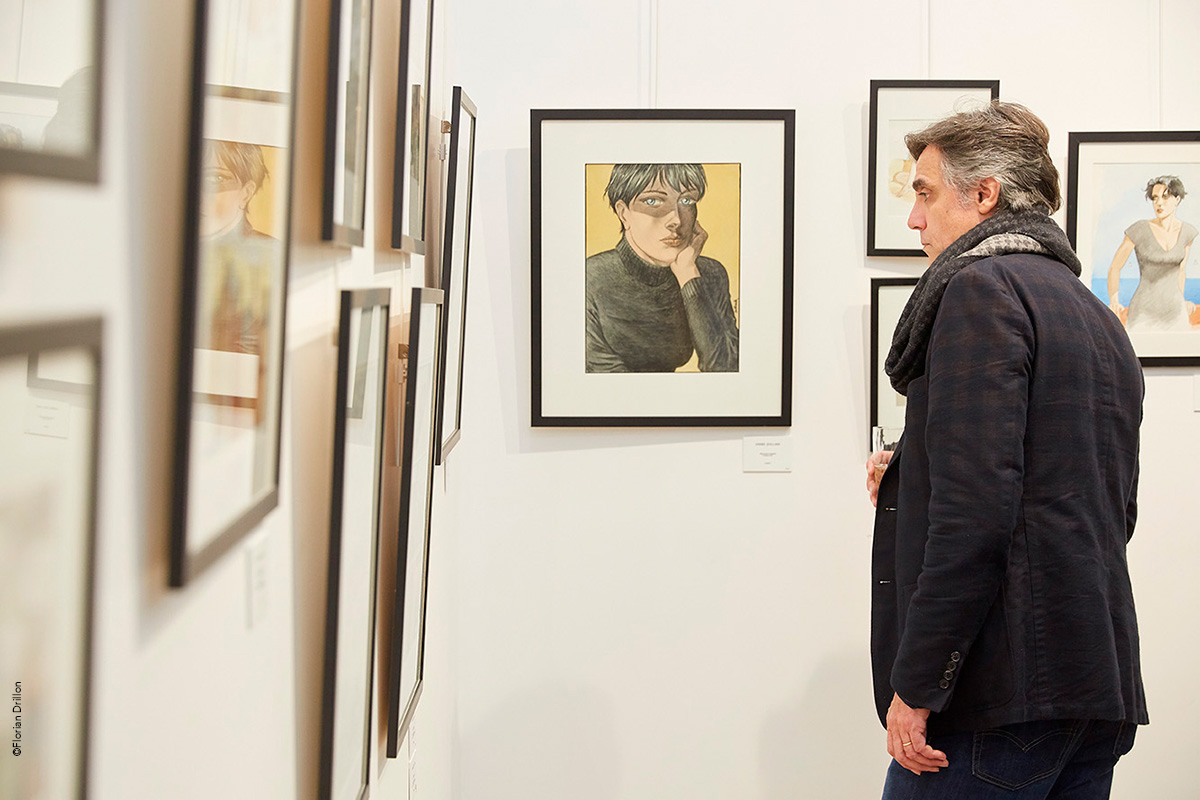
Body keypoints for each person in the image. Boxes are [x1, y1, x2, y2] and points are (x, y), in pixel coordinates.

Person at [864, 102, 1146, 799]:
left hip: (999, 699)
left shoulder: (979, 291)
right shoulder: (1093, 313)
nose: (914, 219)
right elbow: (1099, 505)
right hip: (1093, 688)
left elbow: (975, 518)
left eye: (925, 193)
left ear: (984, 193)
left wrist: (919, 685)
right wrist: (912, 466)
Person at [585, 163, 739, 372]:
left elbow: (726, 370)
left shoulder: (709, 274)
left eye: (687, 201)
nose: (676, 220)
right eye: (653, 201)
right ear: (623, 213)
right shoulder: (590, 279)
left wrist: (688, 276)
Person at [1105, 175, 1197, 330]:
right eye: (1155, 198)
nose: (1158, 203)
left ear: (1177, 199)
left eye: (1165, 197)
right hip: (1143, 312)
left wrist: (1182, 300)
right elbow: (1115, 267)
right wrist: (1114, 302)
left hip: (1176, 311)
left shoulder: (1188, 232)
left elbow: (1181, 271)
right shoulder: (1139, 229)